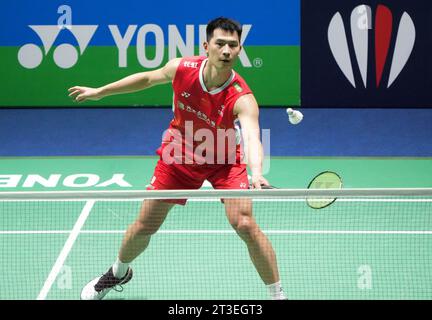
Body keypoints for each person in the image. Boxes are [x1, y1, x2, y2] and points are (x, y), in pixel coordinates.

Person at [69, 17, 287, 300]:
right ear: (206, 46)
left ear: (239, 50)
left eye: (233, 46)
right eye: (220, 43)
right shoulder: (182, 68)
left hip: (223, 160)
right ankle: (118, 271)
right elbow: (147, 78)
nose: (226, 51)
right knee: (145, 225)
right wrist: (101, 92)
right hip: (180, 153)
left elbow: (252, 137)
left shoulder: (242, 97)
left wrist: (256, 173)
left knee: (244, 222)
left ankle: (278, 295)